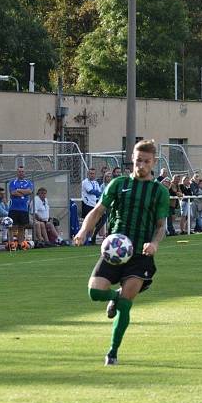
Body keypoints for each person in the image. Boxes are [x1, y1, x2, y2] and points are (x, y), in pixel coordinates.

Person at [74, 139, 170, 366]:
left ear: (153, 162)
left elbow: (160, 226)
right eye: (138, 161)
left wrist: (155, 243)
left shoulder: (159, 191)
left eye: (146, 161)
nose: (141, 165)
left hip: (140, 256)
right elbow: (97, 211)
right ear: (133, 161)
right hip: (114, 251)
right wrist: (82, 231)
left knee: (127, 302)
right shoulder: (118, 184)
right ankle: (114, 297)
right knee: (95, 293)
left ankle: (112, 352)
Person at [8, 166, 33, 244]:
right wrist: (23, 193)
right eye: (19, 171)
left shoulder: (28, 182)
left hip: (24, 209)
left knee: (22, 227)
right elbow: (13, 192)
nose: (21, 173)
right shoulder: (13, 182)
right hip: (14, 208)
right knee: (12, 227)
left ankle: (20, 244)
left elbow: (29, 191)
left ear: (24, 173)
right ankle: (11, 244)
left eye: (22, 171)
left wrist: (18, 190)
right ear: (17, 173)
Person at [80, 167, 103, 244]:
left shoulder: (96, 183)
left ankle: (90, 238)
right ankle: (83, 238)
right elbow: (91, 191)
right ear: (88, 174)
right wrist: (100, 193)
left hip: (94, 204)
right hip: (87, 204)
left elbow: (98, 192)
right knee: (86, 222)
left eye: (93, 174)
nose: (92, 175)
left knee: (93, 222)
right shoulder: (85, 182)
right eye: (90, 173)